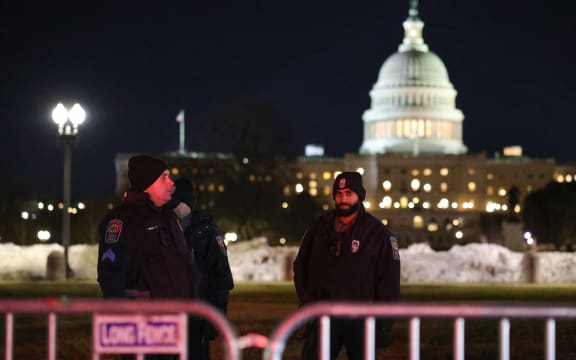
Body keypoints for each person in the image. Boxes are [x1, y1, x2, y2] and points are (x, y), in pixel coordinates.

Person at [293, 171, 401, 360]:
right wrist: (308, 302)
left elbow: (389, 280)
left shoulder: (377, 233)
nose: (343, 199)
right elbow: (300, 265)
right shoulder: (319, 228)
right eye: (339, 194)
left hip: (361, 318)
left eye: (349, 193)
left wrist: (383, 324)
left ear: (359, 195)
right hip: (322, 315)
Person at [97, 154, 197, 299]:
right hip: (144, 317)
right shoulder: (122, 221)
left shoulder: (169, 218)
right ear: (148, 183)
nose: (171, 184)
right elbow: (112, 278)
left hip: (176, 315)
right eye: (164, 178)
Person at [168, 178, 234, 360]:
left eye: (176, 204)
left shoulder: (206, 233)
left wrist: (214, 318)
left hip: (197, 317)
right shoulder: (163, 227)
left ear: (188, 204)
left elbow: (221, 278)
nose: (172, 208)